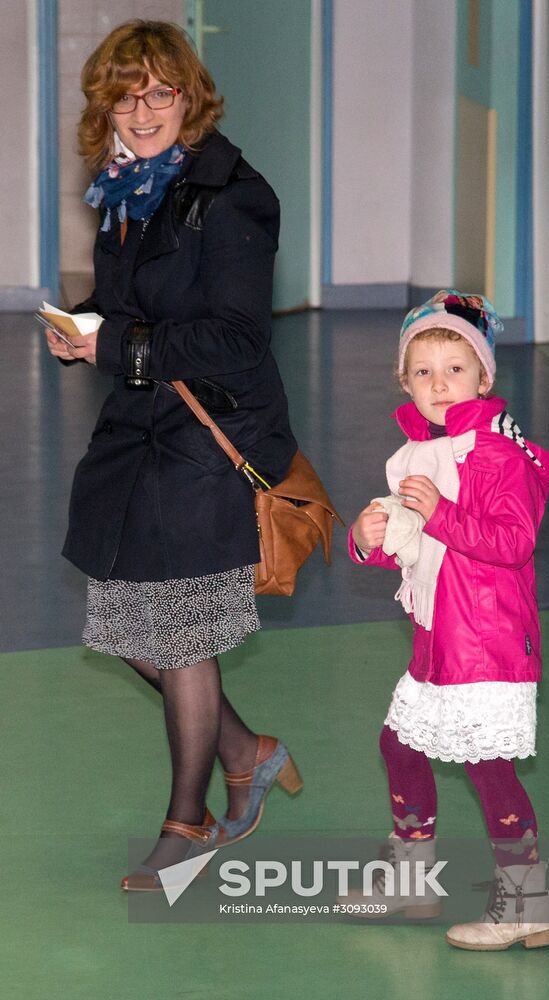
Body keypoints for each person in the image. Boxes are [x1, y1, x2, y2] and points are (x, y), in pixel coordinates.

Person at [44, 19, 303, 891]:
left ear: (189, 96)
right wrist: (85, 321)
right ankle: (247, 751)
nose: (142, 109)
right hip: (140, 425)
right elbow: (134, 295)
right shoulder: (125, 185)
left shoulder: (232, 195)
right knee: (122, 621)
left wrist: (114, 345)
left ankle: (187, 824)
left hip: (213, 434)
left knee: (182, 632)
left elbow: (232, 337)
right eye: (126, 93)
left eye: (160, 91)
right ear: (104, 105)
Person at [347, 290, 549, 950]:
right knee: (400, 745)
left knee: (488, 768)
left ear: (484, 377)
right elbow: (413, 554)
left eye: (454, 369)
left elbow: (511, 542)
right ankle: (411, 878)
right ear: (403, 381)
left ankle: (527, 904)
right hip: (439, 635)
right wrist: (368, 535)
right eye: (422, 372)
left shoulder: (495, 454)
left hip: (489, 639)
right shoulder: (418, 454)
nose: (438, 384)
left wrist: (439, 510)